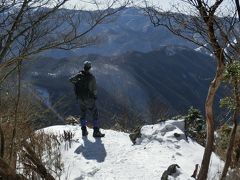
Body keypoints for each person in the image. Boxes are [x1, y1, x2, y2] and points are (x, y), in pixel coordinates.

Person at [69, 61, 105, 138]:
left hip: (80, 98)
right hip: (89, 98)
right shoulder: (91, 77)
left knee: (83, 113)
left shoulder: (79, 75)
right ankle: (96, 131)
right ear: (90, 68)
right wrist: (94, 96)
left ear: (84, 67)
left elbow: (70, 80)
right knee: (94, 112)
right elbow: (94, 89)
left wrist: (77, 77)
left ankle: (84, 131)